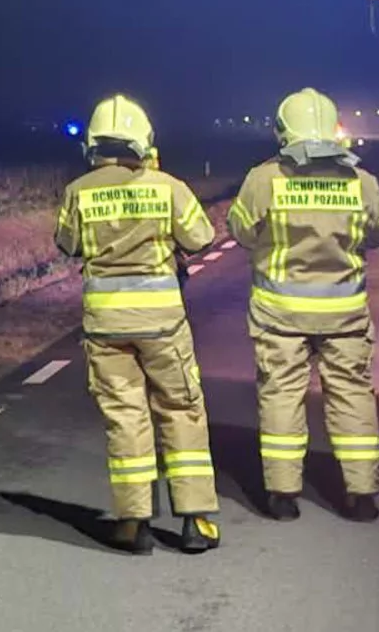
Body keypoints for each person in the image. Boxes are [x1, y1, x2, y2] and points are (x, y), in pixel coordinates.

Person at [55, 94, 221, 554]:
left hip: (106, 326)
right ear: (143, 141)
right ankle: (195, 522)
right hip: (163, 323)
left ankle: (133, 523)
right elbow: (202, 238)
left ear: (92, 144)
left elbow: (67, 244)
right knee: (181, 409)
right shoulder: (166, 186)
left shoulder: (78, 191)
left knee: (125, 417)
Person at [228, 88, 379, 523]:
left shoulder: (264, 179)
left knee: (282, 394)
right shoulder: (362, 182)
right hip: (345, 313)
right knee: (353, 395)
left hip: (279, 314)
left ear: (284, 131)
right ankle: (361, 496)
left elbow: (241, 230)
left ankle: (283, 496)